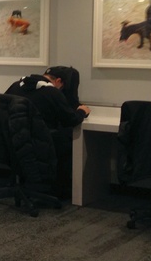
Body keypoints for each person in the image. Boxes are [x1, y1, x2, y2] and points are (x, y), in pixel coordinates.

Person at [5, 66, 91, 198]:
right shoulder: (52, 92)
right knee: (67, 142)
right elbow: (71, 120)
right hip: (38, 145)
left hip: (12, 141)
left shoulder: (15, 86)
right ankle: (59, 190)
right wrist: (82, 111)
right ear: (59, 81)